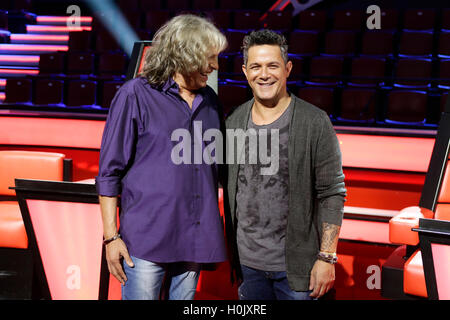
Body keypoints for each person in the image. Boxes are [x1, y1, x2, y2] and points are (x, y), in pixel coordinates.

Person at [95, 14, 228, 300]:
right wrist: (111, 237)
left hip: (195, 240)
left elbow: (218, 168)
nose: (216, 66)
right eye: (210, 57)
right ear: (185, 54)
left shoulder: (212, 102)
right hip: (145, 241)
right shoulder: (135, 95)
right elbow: (109, 173)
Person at [224, 29, 347, 300]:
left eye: (273, 66)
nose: (264, 74)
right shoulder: (233, 120)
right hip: (248, 266)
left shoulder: (314, 121)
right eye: (255, 66)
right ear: (245, 71)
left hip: (298, 269)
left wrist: (326, 258)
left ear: (288, 69)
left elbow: (332, 193)